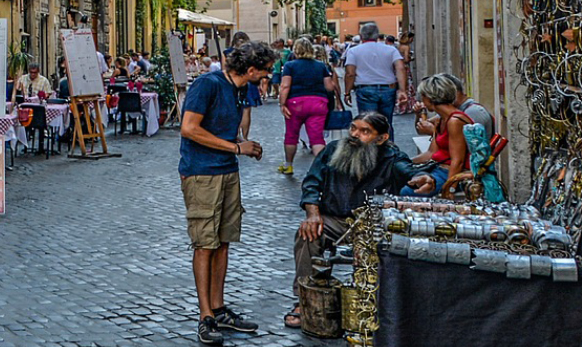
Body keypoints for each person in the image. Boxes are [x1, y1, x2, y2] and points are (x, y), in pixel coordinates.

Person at [283, 112, 436, 328]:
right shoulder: (333, 149)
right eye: (354, 128)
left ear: (381, 138)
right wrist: (313, 214)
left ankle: (372, 302)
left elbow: (407, 171)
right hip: (335, 219)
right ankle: (303, 300)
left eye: (365, 131)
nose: (355, 134)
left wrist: (421, 178)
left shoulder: (391, 156)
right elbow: (311, 182)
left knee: (385, 245)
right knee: (307, 235)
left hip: (373, 223)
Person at [179, 41, 277, 344]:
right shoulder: (207, 84)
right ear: (250, 70)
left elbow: (222, 126)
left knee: (223, 242)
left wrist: (241, 146)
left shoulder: (241, 89)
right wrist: (237, 147)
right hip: (202, 172)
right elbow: (189, 128)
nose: (268, 76)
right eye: (266, 71)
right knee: (204, 244)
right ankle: (205, 316)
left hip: (226, 169)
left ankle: (219, 309)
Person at [277, 40, 340, 175]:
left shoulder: (290, 66)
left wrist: (282, 103)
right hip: (318, 103)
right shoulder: (320, 66)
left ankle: (288, 165)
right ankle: (322, 168)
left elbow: (285, 86)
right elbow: (329, 87)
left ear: (296, 50)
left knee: (291, 135)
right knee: (317, 138)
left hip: (296, 103)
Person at [406, 75, 472, 196]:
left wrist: (449, 189)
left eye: (423, 97)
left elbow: (458, 161)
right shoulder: (441, 119)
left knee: (407, 192)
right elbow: (432, 152)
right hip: (438, 169)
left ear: (430, 98)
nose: (422, 102)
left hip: (449, 173)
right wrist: (405, 162)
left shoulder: (455, 121)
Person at [345, 24, 408, 117]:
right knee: (386, 122)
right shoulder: (391, 50)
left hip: (365, 88)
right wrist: (402, 90)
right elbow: (400, 68)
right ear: (377, 35)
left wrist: (347, 92)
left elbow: (350, 73)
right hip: (388, 88)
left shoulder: (353, 51)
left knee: (368, 122)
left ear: (361, 36)